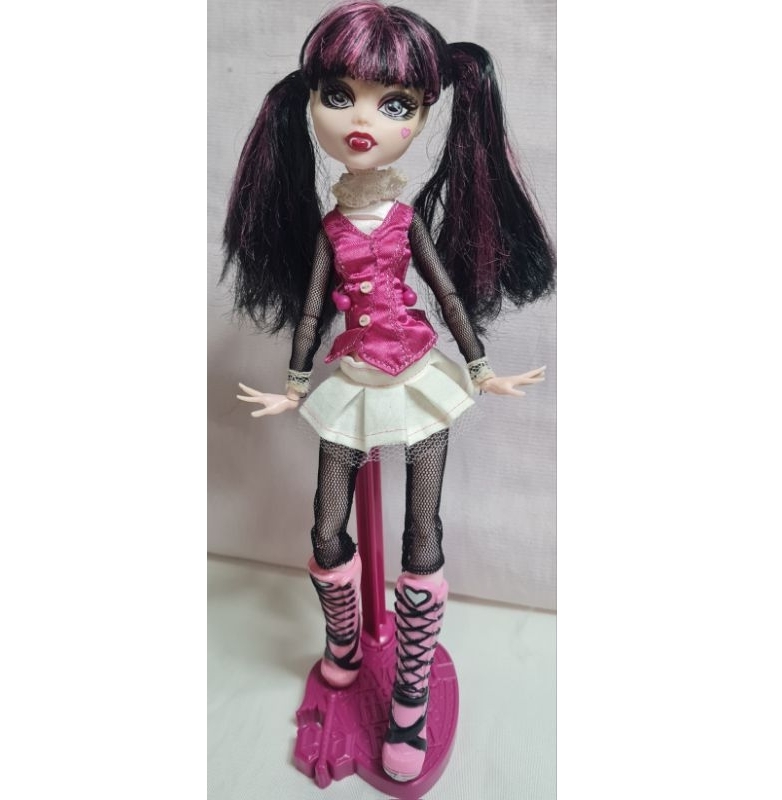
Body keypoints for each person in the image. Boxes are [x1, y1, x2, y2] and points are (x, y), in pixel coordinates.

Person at [221, 0, 555, 782]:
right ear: (309, 101)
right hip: (351, 380)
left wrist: (480, 368)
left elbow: (446, 294)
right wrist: (294, 385)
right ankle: (343, 641)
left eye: (395, 104)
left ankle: (409, 692)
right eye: (339, 96)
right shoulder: (331, 229)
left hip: (419, 378)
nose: (363, 119)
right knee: (325, 522)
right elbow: (312, 311)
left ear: (425, 114)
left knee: (421, 530)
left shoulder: (405, 220)